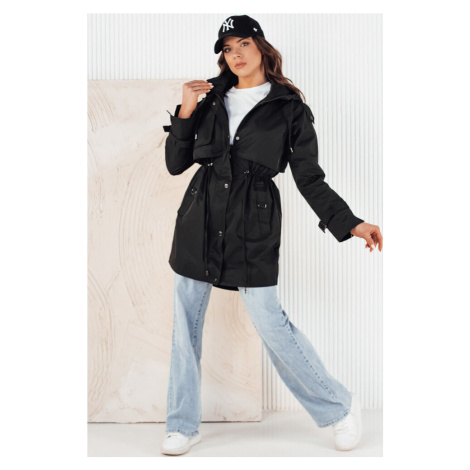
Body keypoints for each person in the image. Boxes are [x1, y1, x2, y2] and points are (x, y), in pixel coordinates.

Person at [161, 15, 383, 456]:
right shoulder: (209, 97)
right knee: (184, 324)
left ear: (261, 46)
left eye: (243, 43)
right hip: (199, 217)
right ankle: (182, 424)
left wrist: (350, 222)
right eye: (227, 49)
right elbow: (175, 164)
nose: (236, 55)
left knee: (270, 322)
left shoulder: (288, 107)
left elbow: (309, 178)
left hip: (254, 221)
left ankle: (339, 407)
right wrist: (185, 110)